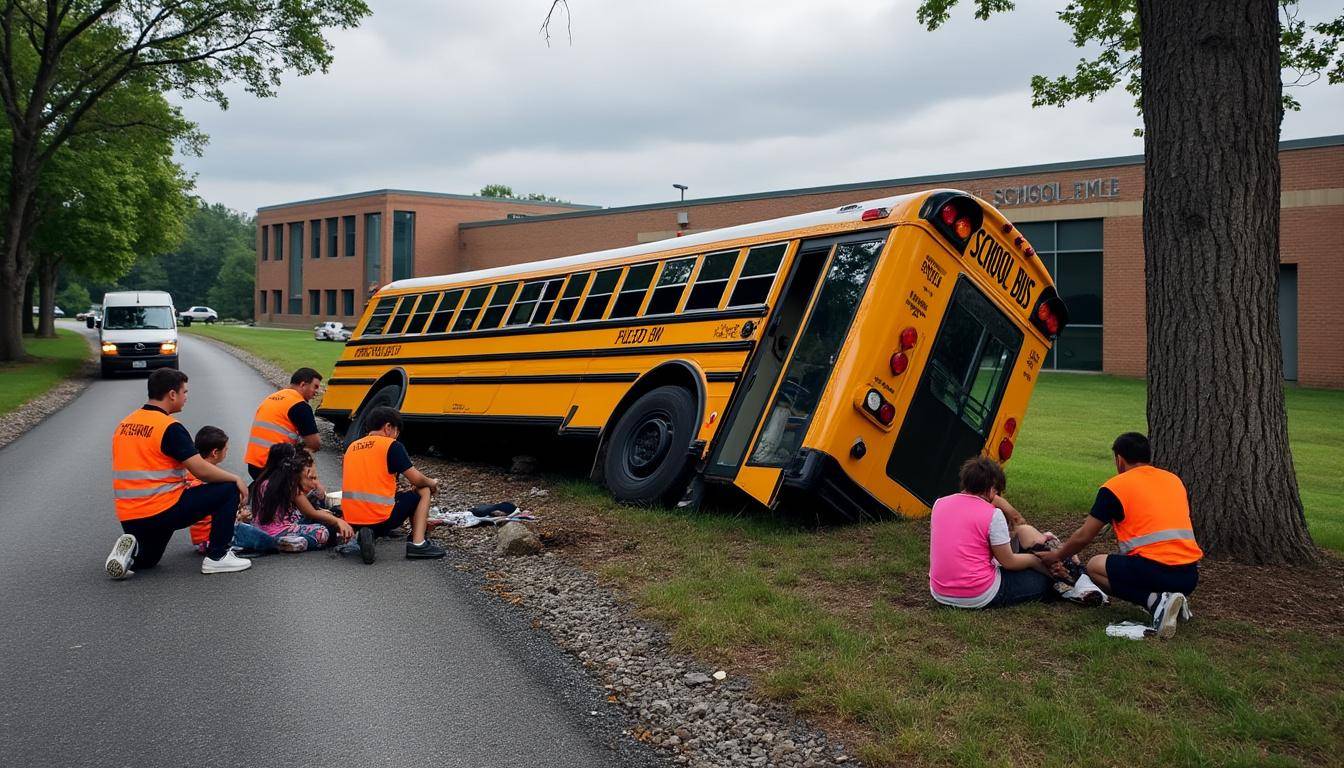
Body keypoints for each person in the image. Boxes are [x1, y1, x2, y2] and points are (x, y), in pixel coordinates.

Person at [1037, 432, 1203, 638]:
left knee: (1095, 566)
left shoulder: (1115, 487)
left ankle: (1155, 601)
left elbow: (1084, 535)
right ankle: (1172, 599)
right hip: (1189, 575)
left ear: (1119, 459)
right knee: (1129, 561)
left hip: (1155, 571)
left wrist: (1057, 556)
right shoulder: (1173, 480)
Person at [105, 369, 252, 578]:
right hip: (162, 508)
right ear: (172, 394)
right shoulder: (169, 427)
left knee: (149, 561)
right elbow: (201, 470)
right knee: (228, 490)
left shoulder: (125, 424)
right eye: (185, 392)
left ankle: (127, 553)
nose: (186, 397)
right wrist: (235, 478)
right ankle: (218, 557)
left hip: (130, 515)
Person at [928, 456, 1058, 609]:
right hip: (978, 593)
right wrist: (1033, 560)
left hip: (939, 591)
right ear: (991, 489)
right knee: (1044, 581)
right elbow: (1008, 562)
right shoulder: (992, 515)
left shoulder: (940, 504)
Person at [341, 406, 446, 563]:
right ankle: (418, 543)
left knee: (405, 494)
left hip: (351, 518)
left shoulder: (351, 447)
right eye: (397, 432)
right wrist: (433, 482)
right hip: (381, 517)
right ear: (388, 427)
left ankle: (368, 533)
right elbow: (417, 479)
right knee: (423, 489)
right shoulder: (390, 446)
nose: (396, 437)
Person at [250, 442, 353, 552]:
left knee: (321, 514)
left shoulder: (262, 481)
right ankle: (282, 542)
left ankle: (281, 541)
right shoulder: (289, 485)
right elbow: (310, 512)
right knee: (321, 532)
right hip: (281, 530)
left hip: (261, 528)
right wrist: (337, 521)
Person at [243, 367, 324, 480]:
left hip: (253, 463)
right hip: (274, 466)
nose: (317, 392)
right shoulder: (300, 405)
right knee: (307, 486)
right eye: (315, 386)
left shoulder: (271, 398)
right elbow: (314, 444)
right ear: (303, 384)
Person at [187, 425, 230, 554]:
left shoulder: (190, 472)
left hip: (199, 537)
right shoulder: (205, 479)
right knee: (264, 537)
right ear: (215, 453)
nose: (226, 453)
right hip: (208, 535)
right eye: (226, 450)